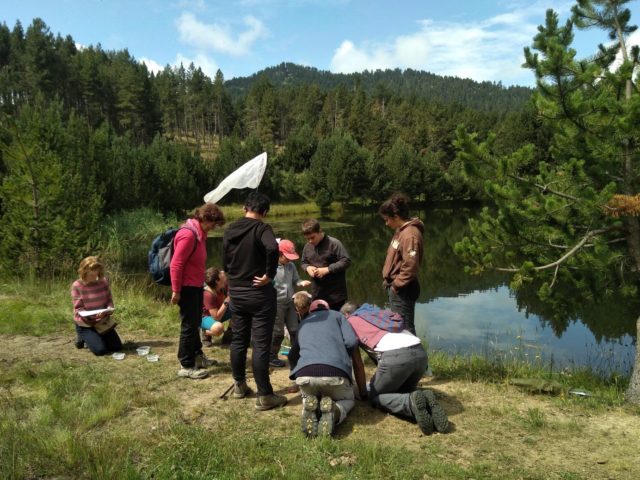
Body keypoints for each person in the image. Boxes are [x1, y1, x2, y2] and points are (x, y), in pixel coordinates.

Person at [340, 302, 448, 435]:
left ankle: (409, 404)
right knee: (401, 391)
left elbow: (358, 365)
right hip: (420, 354)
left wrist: (363, 394)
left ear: (346, 314)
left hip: (396, 358)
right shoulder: (376, 313)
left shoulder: (350, 322)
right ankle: (424, 398)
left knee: (375, 396)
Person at [223, 192, 287, 411]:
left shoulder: (230, 229)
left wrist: (231, 276)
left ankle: (239, 386)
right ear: (265, 212)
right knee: (260, 343)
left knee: (239, 340)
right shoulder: (262, 229)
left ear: (244, 208)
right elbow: (272, 248)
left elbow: (225, 258)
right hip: (259, 294)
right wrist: (269, 274)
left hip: (238, 292)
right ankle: (265, 395)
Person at [288, 292, 359, 437]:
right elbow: (352, 342)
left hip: (305, 376)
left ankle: (309, 410)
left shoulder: (304, 322)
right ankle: (335, 411)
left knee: (308, 398)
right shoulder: (338, 316)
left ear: (311, 309)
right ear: (327, 309)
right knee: (348, 400)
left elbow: (292, 355)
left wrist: (295, 376)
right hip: (335, 375)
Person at [171, 203, 225, 380]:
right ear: (204, 218)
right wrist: (176, 290)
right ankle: (186, 365)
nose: (213, 227)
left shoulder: (200, 234)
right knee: (188, 325)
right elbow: (176, 264)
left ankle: (197, 357)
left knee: (195, 323)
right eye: (212, 223)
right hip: (186, 288)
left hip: (195, 286)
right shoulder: (188, 234)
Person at [379, 193, 424, 335]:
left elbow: (410, 266)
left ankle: (413, 356)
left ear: (396, 217)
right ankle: (405, 355)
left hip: (403, 289)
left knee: (405, 328)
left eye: (387, 220)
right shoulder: (401, 231)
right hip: (397, 287)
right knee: (399, 325)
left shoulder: (410, 234)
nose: (386, 223)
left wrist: (396, 285)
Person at [270, 239, 311, 368]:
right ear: (279, 254)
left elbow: (296, 279)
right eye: (287, 257)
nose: (289, 260)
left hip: (290, 302)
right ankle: (271, 356)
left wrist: (301, 283)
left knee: (295, 330)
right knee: (278, 333)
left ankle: (296, 355)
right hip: (276, 304)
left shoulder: (291, 266)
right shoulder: (270, 267)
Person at [71, 256, 122, 356]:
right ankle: (82, 336)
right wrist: (91, 316)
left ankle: (95, 336)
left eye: (96, 271)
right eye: (91, 273)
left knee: (116, 347)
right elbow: (79, 309)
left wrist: (109, 309)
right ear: (84, 271)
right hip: (85, 323)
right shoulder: (77, 285)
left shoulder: (103, 282)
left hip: (102, 321)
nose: (94, 275)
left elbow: (109, 300)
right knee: (100, 351)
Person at [300, 219, 351, 311]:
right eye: (307, 239)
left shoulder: (334, 243)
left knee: (336, 322)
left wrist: (328, 269)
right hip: (317, 295)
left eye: (312, 237)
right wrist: (308, 268)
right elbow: (303, 262)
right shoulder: (307, 247)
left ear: (320, 232)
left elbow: (346, 261)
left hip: (336, 296)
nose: (310, 241)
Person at [201, 267, 232, 347]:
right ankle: (206, 332)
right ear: (217, 281)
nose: (222, 272)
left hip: (219, 311)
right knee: (218, 328)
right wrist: (226, 301)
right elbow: (216, 317)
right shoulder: (208, 294)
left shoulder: (223, 283)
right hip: (205, 317)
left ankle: (228, 336)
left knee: (239, 310)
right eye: (219, 273)